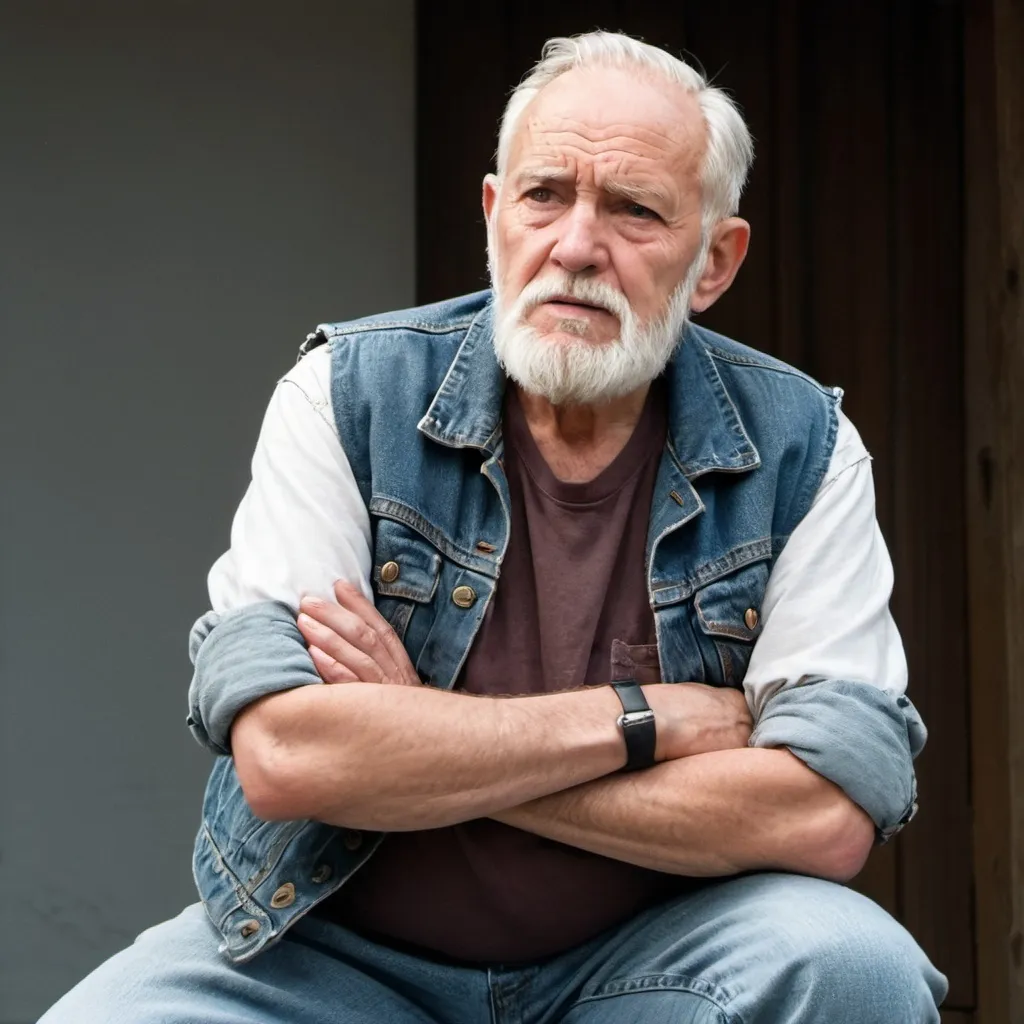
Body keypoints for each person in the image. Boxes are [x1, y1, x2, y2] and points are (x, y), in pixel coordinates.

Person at [42, 30, 946, 1023]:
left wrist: (422, 734)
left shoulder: (803, 446)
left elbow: (823, 813)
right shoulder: (348, 394)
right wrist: (642, 718)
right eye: (543, 194)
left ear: (714, 261)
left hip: (646, 969)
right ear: (492, 214)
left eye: (634, 210)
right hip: (335, 962)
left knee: (855, 967)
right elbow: (291, 757)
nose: (574, 247)